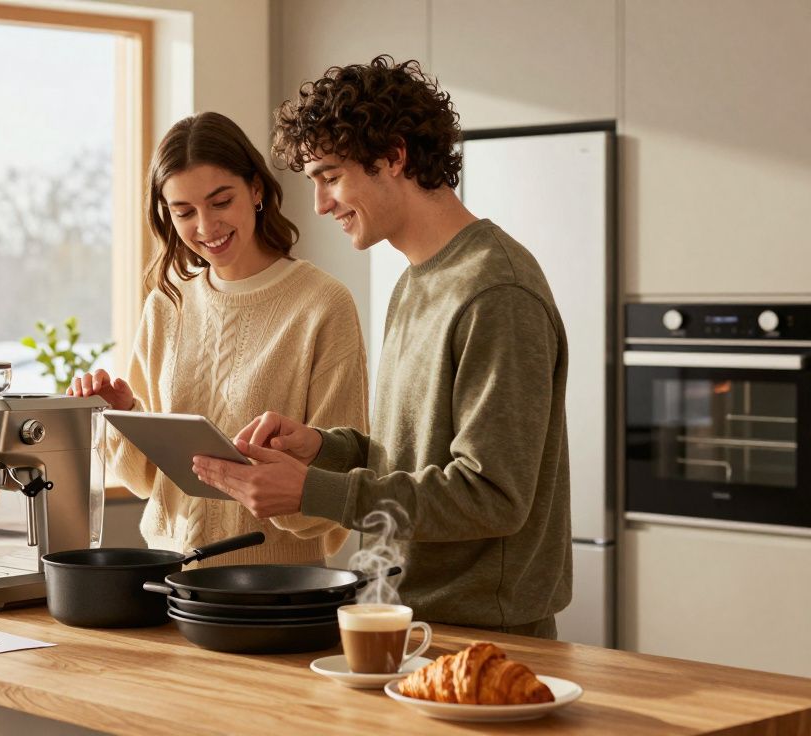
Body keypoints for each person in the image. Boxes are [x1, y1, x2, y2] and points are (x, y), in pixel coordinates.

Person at [191, 57, 573, 638]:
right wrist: (321, 448)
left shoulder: (497, 291)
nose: (319, 204)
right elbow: (413, 459)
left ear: (394, 157)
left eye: (330, 176)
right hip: (407, 618)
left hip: (486, 638)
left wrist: (312, 491)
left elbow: (492, 496)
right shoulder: (416, 281)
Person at [69, 112, 368, 566]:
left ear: (256, 189)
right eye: (184, 212)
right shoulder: (167, 306)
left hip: (277, 586)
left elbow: (339, 485)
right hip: (169, 578)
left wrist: (273, 487)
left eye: (220, 201)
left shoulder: (322, 304)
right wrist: (125, 414)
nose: (205, 227)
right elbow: (149, 482)